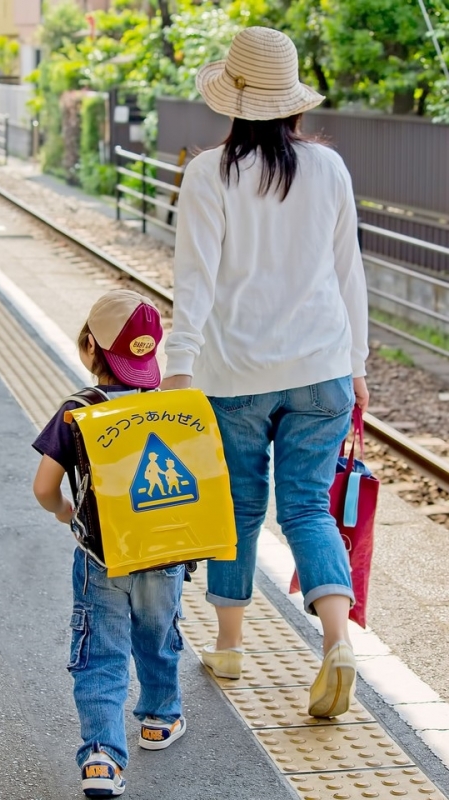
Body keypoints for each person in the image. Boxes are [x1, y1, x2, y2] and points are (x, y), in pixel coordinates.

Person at [161, 26, 369, 719]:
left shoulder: (208, 173)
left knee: (238, 508)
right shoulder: (329, 170)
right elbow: (349, 275)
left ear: (233, 101)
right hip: (321, 368)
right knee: (307, 508)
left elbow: (194, 281)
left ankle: (228, 644)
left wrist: (177, 367)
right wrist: (357, 365)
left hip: (234, 374)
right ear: (291, 103)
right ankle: (336, 642)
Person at [32, 289, 186, 798]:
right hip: (164, 553)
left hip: (103, 556)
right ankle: (160, 719)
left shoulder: (77, 410)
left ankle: (102, 757)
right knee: (158, 634)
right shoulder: (169, 408)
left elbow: (43, 488)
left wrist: (63, 512)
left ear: (91, 347)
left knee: (101, 651)